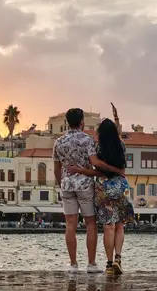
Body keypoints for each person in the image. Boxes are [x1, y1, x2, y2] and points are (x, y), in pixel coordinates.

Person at [53, 108, 123, 273]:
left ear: (67, 123)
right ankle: (91, 264)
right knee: (91, 224)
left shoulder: (59, 141)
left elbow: (56, 168)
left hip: (67, 186)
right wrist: (113, 169)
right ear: (82, 122)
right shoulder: (87, 140)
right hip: (85, 185)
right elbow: (95, 163)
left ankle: (73, 264)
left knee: (70, 225)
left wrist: (61, 183)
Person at [67, 118, 134, 275]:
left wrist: (80, 170)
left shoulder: (98, 148)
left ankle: (109, 264)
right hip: (121, 186)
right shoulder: (122, 146)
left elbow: (98, 171)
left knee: (108, 227)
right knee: (120, 226)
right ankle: (118, 258)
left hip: (104, 187)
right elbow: (121, 168)